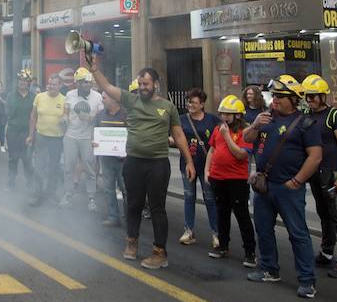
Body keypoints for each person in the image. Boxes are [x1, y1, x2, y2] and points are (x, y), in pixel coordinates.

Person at [86, 61, 194, 270]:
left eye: (146, 84)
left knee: (157, 209)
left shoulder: (167, 107)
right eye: (140, 84)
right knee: (133, 205)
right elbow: (106, 87)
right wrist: (94, 69)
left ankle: (159, 252)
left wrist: (189, 161)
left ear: (155, 84)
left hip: (158, 164)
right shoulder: (131, 100)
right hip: (133, 162)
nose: (143, 87)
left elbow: (179, 135)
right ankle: (131, 242)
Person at [244, 75, 322, 298]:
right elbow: (248, 138)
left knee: (298, 233)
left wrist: (297, 181)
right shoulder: (266, 118)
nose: (275, 99)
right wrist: (256, 124)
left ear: (294, 99)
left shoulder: (305, 123)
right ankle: (269, 268)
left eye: (281, 96)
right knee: (263, 229)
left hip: (288, 189)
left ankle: (307, 280)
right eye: (274, 95)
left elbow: (315, 157)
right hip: (263, 186)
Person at [302, 74, 337, 279]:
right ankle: (326, 251)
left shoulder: (336, 116)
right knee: (323, 213)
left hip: (332, 174)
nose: (310, 99)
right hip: (316, 173)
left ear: (323, 96)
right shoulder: (307, 115)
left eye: (313, 96)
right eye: (307, 96)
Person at [207, 95, 256, 266]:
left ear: (238, 115)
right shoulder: (218, 129)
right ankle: (223, 246)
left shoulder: (245, 132)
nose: (224, 117)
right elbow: (212, 150)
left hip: (236, 179)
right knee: (222, 213)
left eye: (228, 114)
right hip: (217, 177)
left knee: (242, 215)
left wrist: (227, 136)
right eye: (223, 114)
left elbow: (241, 154)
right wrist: (207, 170)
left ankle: (250, 252)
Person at [179, 89, 220, 249]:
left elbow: (220, 137)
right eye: (189, 102)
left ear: (202, 104)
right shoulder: (181, 120)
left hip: (206, 166)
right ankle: (188, 230)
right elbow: (176, 137)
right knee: (189, 197)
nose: (191, 105)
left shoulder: (212, 120)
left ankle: (216, 233)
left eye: (194, 102)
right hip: (187, 164)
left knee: (210, 198)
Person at [61, 68, 104, 209]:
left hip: (87, 137)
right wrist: (64, 118)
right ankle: (67, 193)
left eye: (89, 82)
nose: (88, 84)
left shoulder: (97, 96)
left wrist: (91, 117)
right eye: (84, 82)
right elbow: (65, 111)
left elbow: (102, 116)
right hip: (71, 136)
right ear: (77, 83)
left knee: (90, 167)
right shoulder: (70, 94)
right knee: (68, 166)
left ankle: (91, 197)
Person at [26, 75, 67, 207]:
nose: (50, 86)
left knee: (54, 166)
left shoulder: (64, 100)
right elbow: (33, 117)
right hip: (41, 136)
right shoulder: (39, 97)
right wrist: (31, 135)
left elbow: (67, 119)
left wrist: (65, 121)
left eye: (54, 84)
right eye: (49, 83)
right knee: (39, 165)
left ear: (60, 86)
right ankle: (37, 194)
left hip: (57, 138)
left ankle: (51, 192)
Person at [95, 89, 129, 227]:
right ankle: (113, 217)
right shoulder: (99, 115)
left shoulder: (126, 115)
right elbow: (95, 132)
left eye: (104, 98)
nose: (102, 100)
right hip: (107, 160)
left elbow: (133, 134)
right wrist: (94, 143)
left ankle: (130, 219)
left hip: (123, 161)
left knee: (126, 190)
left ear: (114, 99)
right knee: (108, 189)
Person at [5, 70, 34, 189]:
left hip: (27, 132)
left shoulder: (34, 97)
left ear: (29, 83)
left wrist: (31, 134)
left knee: (27, 159)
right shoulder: (10, 96)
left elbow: (34, 116)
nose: (22, 82)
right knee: (13, 158)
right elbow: (8, 113)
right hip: (13, 132)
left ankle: (30, 183)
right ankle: (11, 182)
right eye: (20, 80)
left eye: (25, 80)